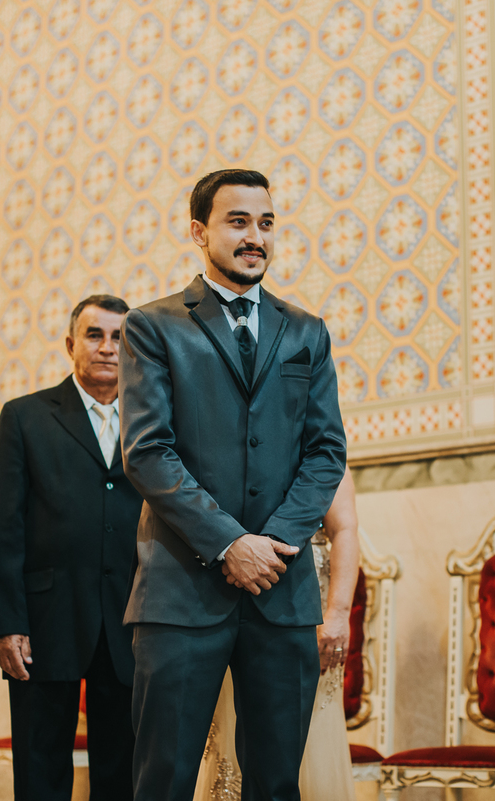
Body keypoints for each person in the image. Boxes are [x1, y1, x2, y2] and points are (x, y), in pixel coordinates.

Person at [118, 168, 348, 801]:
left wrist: (271, 542)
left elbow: (327, 451)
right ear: (200, 231)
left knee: (276, 784)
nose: (256, 237)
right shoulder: (153, 326)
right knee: (163, 780)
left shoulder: (306, 331)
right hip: (181, 591)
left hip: (282, 589)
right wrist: (228, 543)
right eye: (238, 221)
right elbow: (147, 451)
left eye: (266, 223)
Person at [0, 295, 141, 801]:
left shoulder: (154, 422)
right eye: (96, 335)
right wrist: (8, 624)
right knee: (41, 767)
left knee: (123, 770)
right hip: (46, 622)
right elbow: (2, 528)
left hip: (131, 620)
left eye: (120, 338)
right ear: (72, 344)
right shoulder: (25, 418)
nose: (108, 348)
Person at [195, 469, 361, 800]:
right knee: (228, 720)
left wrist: (338, 614)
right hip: (228, 595)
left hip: (304, 608)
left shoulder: (321, 449)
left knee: (305, 727)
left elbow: (345, 529)